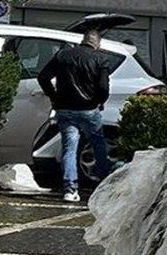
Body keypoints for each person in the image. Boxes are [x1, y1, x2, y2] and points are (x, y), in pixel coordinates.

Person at [37, 29, 114, 204]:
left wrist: (54, 97)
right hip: (89, 110)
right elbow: (103, 87)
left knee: (69, 149)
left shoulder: (63, 55)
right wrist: (98, 101)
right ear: (97, 43)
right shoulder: (101, 58)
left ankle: (70, 189)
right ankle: (105, 185)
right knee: (98, 145)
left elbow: (43, 77)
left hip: (65, 109)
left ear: (83, 40)